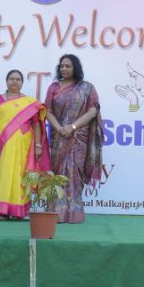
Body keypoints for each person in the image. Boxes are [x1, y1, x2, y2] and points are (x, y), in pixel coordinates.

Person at [0, 70, 51, 220]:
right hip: (2, 144)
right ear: (6, 81)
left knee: (21, 175)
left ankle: (20, 211)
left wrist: (38, 145)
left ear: (22, 83)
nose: (14, 81)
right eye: (11, 79)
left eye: (18, 79)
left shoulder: (29, 103)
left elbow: (36, 125)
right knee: (4, 174)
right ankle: (2, 210)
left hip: (23, 144)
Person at [44, 54, 103, 224]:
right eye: (61, 66)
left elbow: (93, 111)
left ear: (75, 67)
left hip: (78, 138)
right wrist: (60, 128)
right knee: (57, 174)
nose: (64, 69)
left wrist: (73, 127)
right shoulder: (54, 87)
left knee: (74, 173)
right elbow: (48, 111)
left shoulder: (87, 87)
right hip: (59, 137)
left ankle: (74, 213)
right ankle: (55, 212)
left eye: (68, 66)